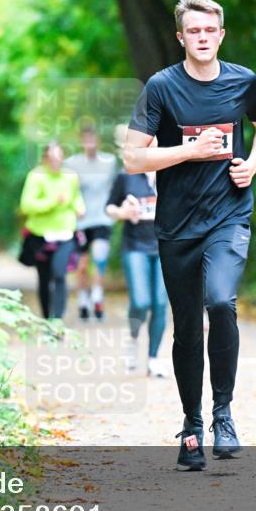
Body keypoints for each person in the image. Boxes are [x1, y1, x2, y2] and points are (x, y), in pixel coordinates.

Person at [123, 0, 256, 471]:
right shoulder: (161, 88)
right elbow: (133, 158)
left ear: (222, 34)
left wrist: (251, 165)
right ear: (181, 37)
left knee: (220, 302)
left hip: (228, 216)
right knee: (187, 330)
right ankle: (191, 426)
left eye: (211, 30)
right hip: (175, 226)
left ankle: (223, 415)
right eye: (194, 31)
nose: (204, 38)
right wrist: (188, 150)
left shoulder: (242, 80)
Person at [105, 141, 170, 379]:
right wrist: (121, 212)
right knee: (141, 302)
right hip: (135, 246)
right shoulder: (127, 176)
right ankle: (133, 339)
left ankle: (153, 359)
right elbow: (109, 207)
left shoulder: (172, 172)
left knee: (161, 303)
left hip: (166, 247)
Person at [19, 140, 85, 319]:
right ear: (45, 158)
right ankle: (47, 317)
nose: (56, 161)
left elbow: (75, 198)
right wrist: (52, 202)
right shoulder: (36, 176)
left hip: (65, 233)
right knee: (44, 279)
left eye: (59, 157)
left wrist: (80, 207)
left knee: (59, 273)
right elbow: (26, 205)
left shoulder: (70, 176)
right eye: (52, 157)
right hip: (40, 236)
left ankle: (57, 319)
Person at [65, 125, 117, 321]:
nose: (90, 143)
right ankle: (83, 298)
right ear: (81, 141)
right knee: (82, 265)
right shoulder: (72, 164)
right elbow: (70, 190)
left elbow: (114, 187)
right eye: (86, 140)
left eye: (93, 139)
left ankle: (97, 295)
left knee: (100, 257)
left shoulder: (109, 162)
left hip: (102, 219)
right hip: (82, 221)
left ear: (98, 140)